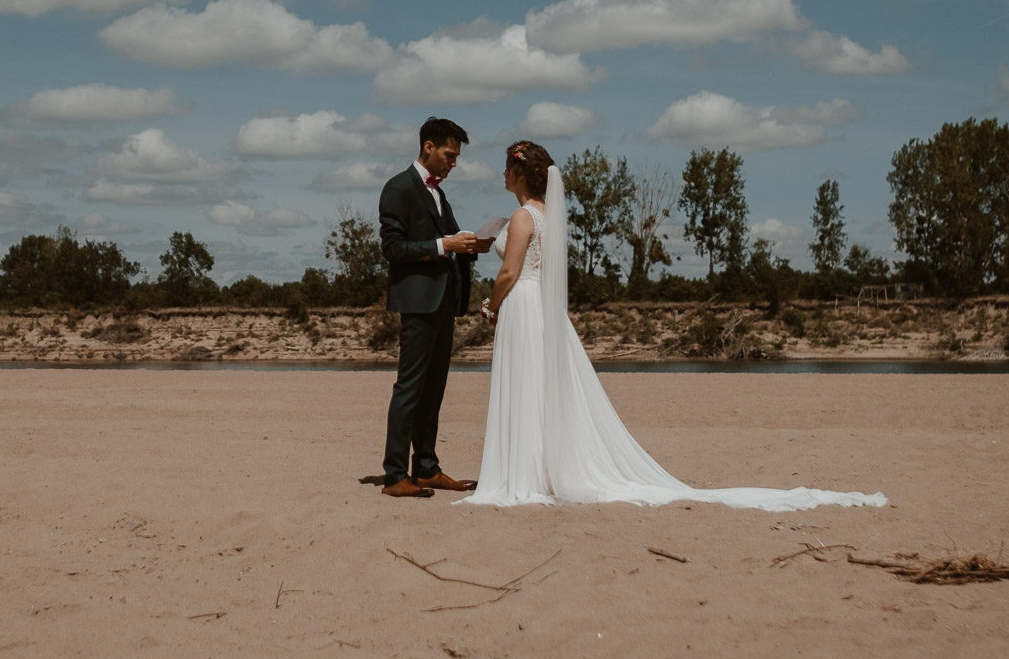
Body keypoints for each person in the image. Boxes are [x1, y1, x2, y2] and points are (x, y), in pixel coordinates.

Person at [463, 141, 885, 511]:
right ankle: (538, 469)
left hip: (522, 304)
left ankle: (525, 473)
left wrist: (490, 307)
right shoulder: (546, 217)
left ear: (521, 173)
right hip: (543, 308)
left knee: (527, 385)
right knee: (542, 387)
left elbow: (508, 274)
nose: (502, 173)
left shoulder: (522, 218)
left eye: (507, 167)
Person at [366, 118, 488, 499]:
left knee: (434, 389)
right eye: (450, 155)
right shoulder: (398, 187)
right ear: (428, 147)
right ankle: (394, 475)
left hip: (443, 302)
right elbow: (392, 249)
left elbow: (448, 241)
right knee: (409, 388)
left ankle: (427, 468)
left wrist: (472, 245)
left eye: (457, 158)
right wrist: (442, 246)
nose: (454, 164)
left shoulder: (439, 194)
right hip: (418, 304)